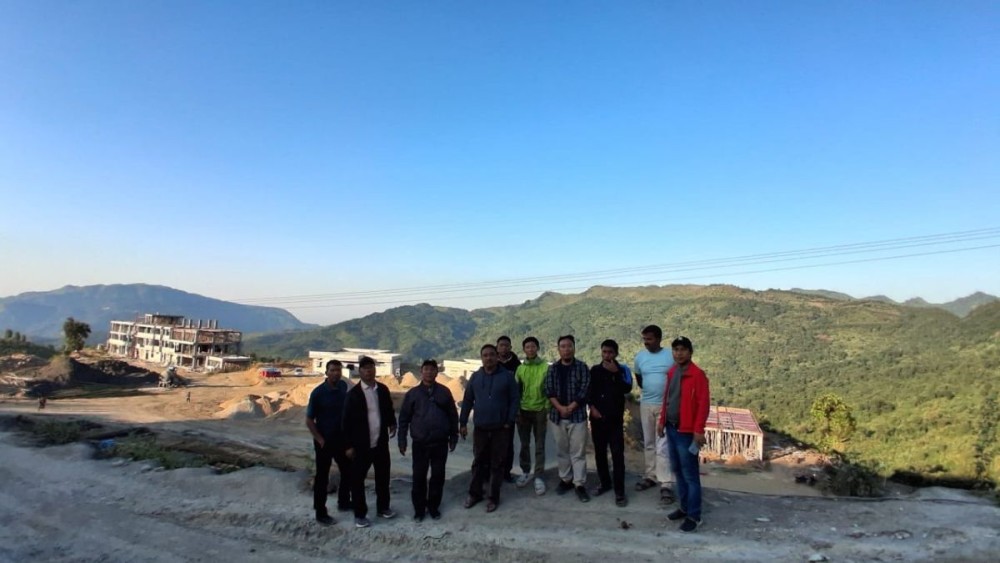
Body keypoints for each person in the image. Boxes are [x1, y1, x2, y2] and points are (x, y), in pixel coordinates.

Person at [658, 336, 710, 533]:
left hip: (686, 432)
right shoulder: (672, 372)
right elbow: (667, 399)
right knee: (678, 471)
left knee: (690, 475)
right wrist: (662, 421)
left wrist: (698, 430)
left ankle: (694, 516)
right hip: (671, 428)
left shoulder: (698, 376)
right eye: (676, 349)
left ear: (690, 352)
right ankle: (684, 507)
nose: (678, 353)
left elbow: (703, 405)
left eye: (682, 350)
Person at [459, 344, 519, 513]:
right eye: (485, 355)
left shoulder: (507, 377)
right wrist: (463, 422)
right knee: (478, 462)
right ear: (481, 358)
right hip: (481, 428)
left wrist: (509, 420)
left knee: (497, 464)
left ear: (497, 357)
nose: (489, 358)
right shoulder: (476, 377)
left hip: (501, 428)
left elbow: (515, 399)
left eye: (492, 354)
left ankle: (493, 497)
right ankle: (475, 494)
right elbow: (468, 400)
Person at [398, 359, 459, 522]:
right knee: (419, 477)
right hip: (420, 443)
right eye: (426, 369)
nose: (429, 372)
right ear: (421, 371)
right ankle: (419, 510)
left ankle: (433, 507)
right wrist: (402, 440)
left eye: (432, 370)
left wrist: (454, 436)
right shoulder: (413, 394)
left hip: (440, 443)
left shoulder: (445, 392)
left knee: (438, 476)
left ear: (437, 373)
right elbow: (404, 418)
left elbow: (453, 416)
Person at [344, 356, 398, 528]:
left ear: (375, 370)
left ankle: (383, 508)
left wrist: (392, 423)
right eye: (365, 368)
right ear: (359, 371)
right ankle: (360, 514)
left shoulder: (382, 389)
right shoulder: (353, 394)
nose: (369, 371)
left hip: (380, 443)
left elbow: (388, 409)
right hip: (361, 445)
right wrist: (348, 446)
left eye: (371, 367)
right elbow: (346, 422)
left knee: (383, 477)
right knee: (357, 480)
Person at [543, 335, 591, 503]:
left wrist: (570, 407)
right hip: (557, 416)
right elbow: (549, 390)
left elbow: (584, 390)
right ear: (558, 349)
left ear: (574, 348)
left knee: (577, 452)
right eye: (562, 346)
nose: (566, 349)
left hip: (577, 417)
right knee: (562, 451)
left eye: (569, 346)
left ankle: (579, 484)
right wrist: (560, 408)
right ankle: (566, 480)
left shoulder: (582, 367)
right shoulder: (553, 369)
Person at [306, 360, 352, 525]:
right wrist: (320, 439)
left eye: (338, 370)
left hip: (341, 439)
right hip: (324, 441)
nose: (336, 373)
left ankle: (344, 502)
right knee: (322, 477)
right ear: (326, 373)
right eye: (332, 370)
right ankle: (321, 512)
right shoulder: (318, 393)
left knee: (347, 470)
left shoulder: (343, 388)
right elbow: (309, 420)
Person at [588, 339, 633, 507]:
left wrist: (615, 373)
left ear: (616, 354)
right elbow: (589, 392)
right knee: (600, 453)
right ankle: (605, 483)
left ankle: (619, 491)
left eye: (610, 352)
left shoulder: (623, 370)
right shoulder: (595, 370)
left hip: (614, 420)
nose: (607, 355)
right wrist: (591, 407)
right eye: (604, 352)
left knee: (617, 455)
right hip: (597, 419)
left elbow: (627, 389)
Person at [633, 324, 675, 503]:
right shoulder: (640, 357)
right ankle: (650, 476)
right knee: (649, 441)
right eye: (644, 339)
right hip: (646, 404)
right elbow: (639, 378)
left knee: (662, 444)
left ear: (658, 339)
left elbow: (675, 378)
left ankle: (665, 483)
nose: (646, 343)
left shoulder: (670, 356)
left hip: (665, 406)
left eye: (649, 339)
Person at [514, 336, 549, 495]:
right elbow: (516, 391)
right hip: (523, 410)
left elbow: (549, 389)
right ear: (524, 350)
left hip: (540, 409)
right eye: (527, 347)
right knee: (524, 443)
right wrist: (517, 409)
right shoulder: (520, 369)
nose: (530, 349)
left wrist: (546, 407)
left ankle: (539, 475)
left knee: (540, 444)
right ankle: (526, 471)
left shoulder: (545, 367)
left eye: (533, 347)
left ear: (537, 348)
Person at [496, 335, 521, 483]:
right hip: (493, 410)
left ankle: (506, 472)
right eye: (501, 345)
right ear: (497, 347)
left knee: (507, 443)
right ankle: (491, 471)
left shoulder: (517, 365)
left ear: (511, 347)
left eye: (506, 345)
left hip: (509, 410)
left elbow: (519, 389)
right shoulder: (492, 363)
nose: (504, 348)